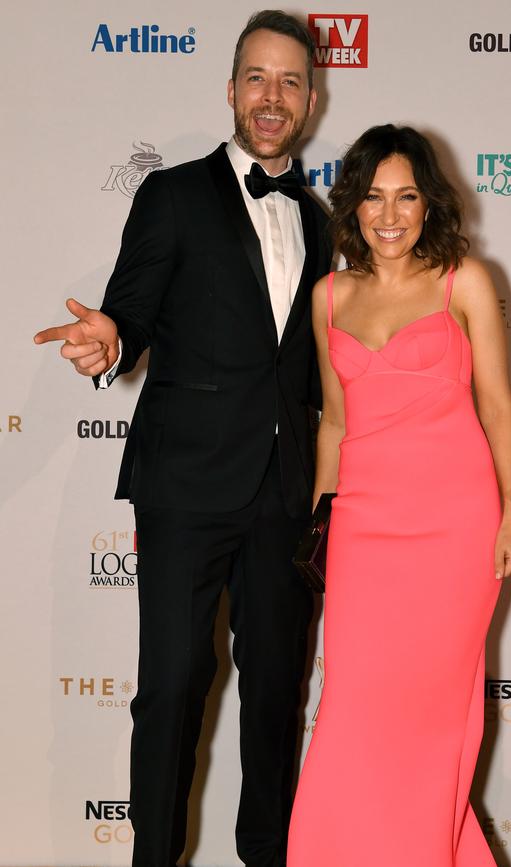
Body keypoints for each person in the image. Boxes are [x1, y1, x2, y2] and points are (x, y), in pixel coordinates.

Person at [34, 11, 332, 867]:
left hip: (284, 495)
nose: (271, 97)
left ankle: (265, 855)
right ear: (231, 89)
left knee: (276, 692)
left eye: (288, 82)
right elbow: (130, 307)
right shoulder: (170, 195)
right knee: (169, 689)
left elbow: (309, 369)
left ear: (309, 100)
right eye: (256, 78)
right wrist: (112, 341)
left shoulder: (316, 221)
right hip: (184, 485)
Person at [286, 125, 511, 866]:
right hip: (363, 530)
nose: (388, 216)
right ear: (352, 206)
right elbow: (333, 422)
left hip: (455, 529)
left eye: (406, 197)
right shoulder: (329, 296)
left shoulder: (465, 280)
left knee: (429, 724)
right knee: (352, 715)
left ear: (430, 205)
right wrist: (319, 528)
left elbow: (496, 405)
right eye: (372, 198)